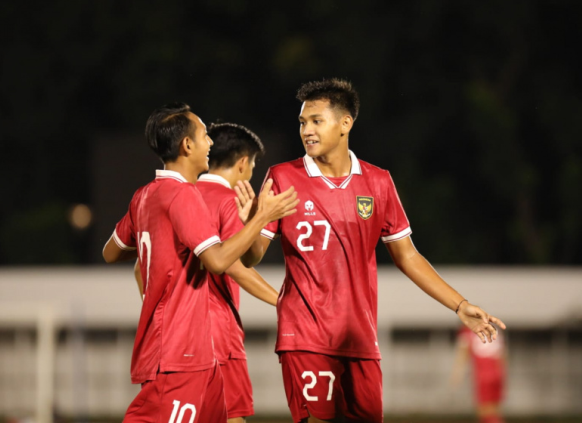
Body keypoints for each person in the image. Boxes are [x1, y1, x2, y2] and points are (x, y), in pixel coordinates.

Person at [234, 79, 506, 423]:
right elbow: (252, 256)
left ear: (345, 123)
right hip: (305, 335)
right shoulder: (283, 176)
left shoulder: (378, 182)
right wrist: (255, 222)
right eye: (303, 122)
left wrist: (460, 305)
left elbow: (408, 256)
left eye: (317, 121)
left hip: (361, 339)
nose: (307, 130)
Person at [102, 102, 298, 423]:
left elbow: (112, 252)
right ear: (187, 145)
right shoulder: (183, 195)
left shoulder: (144, 195)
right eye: (205, 135)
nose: (210, 143)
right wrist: (263, 215)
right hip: (184, 349)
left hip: (179, 346)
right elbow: (221, 262)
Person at [133, 122, 278, 423]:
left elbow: (139, 268)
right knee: (231, 416)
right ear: (242, 164)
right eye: (252, 164)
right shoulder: (228, 202)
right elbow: (234, 266)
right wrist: (284, 300)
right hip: (215, 336)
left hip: (172, 339)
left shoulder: (176, 193)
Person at [450, 326, 507, 423]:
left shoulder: (467, 331)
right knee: (494, 411)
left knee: (484, 412)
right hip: (497, 373)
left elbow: (463, 354)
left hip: (483, 374)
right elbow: (503, 354)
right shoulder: (492, 328)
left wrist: (456, 374)